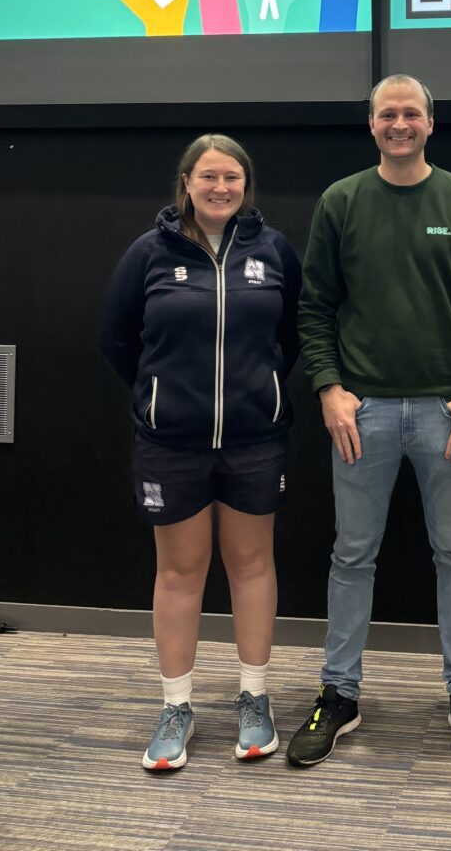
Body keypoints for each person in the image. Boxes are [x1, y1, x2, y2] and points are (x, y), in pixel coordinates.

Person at [287, 74, 451, 768]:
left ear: (431, 124)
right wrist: (328, 387)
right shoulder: (341, 201)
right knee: (352, 555)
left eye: (412, 113)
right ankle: (339, 694)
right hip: (364, 412)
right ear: (372, 124)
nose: (400, 123)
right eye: (388, 114)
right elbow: (315, 306)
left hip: (448, 413)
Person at [101, 134, 301, 771]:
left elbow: (292, 336)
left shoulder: (271, 250)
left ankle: (254, 698)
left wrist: (259, 392)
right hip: (171, 444)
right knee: (179, 573)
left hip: (254, 440)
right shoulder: (149, 253)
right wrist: (165, 396)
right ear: (186, 182)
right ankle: (177, 706)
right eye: (209, 177)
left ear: (246, 186)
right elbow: (117, 339)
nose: (221, 188)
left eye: (233, 178)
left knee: (250, 565)